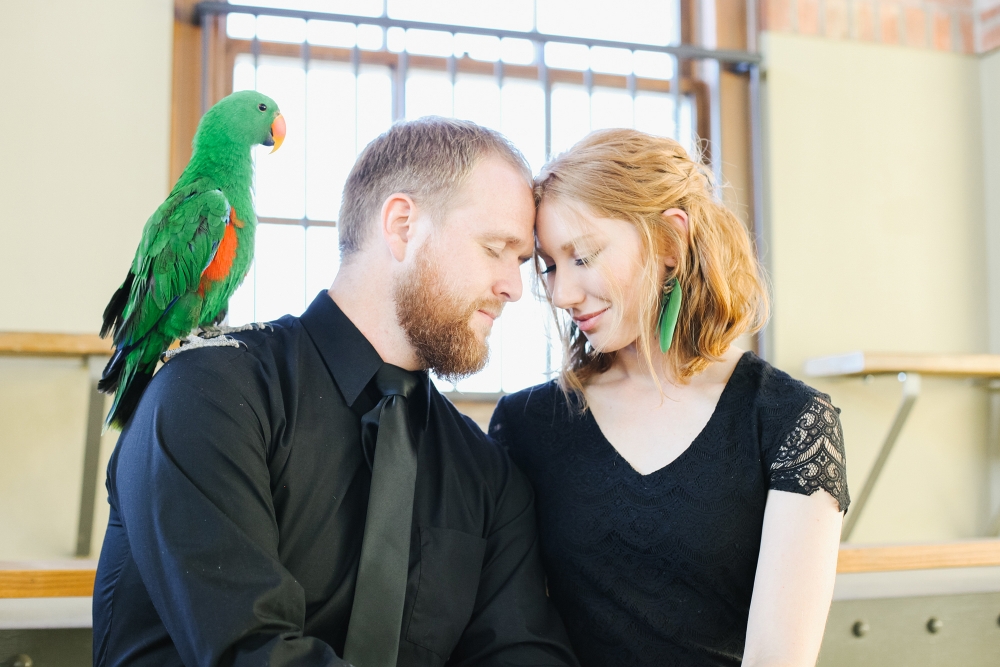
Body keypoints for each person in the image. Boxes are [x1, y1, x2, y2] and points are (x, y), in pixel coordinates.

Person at [93, 117, 579, 667]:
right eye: (496, 249)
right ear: (401, 225)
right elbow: (254, 653)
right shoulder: (206, 396)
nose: (514, 287)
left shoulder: (487, 475)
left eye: (521, 263)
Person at [489, 129, 849, 667]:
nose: (562, 293)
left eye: (582, 257)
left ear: (669, 243)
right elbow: (506, 633)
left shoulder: (791, 422)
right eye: (550, 266)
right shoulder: (526, 425)